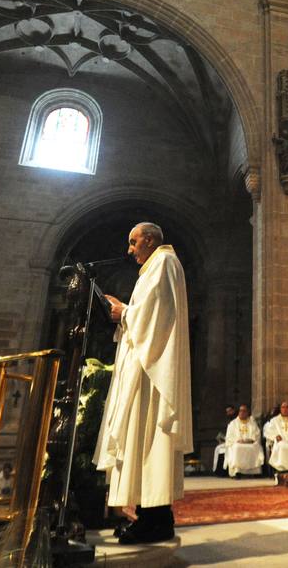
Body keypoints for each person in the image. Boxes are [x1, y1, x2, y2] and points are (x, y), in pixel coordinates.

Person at [94, 222, 193, 545]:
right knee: (142, 442)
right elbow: (146, 312)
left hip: (154, 373)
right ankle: (151, 517)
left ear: (149, 240)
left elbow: (156, 314)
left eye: (133, 242)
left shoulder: (164, 263)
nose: (130, 249)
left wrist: (123, 312)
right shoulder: (154, 267)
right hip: (145, 368)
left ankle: (157, 519)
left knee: (150, 440)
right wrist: (126, 313)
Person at [222, 406, 264, 479]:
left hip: (250, 443)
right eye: (240, 411)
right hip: (238, 443)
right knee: (237, 447)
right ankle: (237, 471)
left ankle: (254, 472)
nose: (242, 412)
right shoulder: (233, 423)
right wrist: (238, 440)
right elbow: (229, 437)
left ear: (248, 413)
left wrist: (251, 440)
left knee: (255, 447)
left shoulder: (252, 423)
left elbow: (257, 434)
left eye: (244, 411)